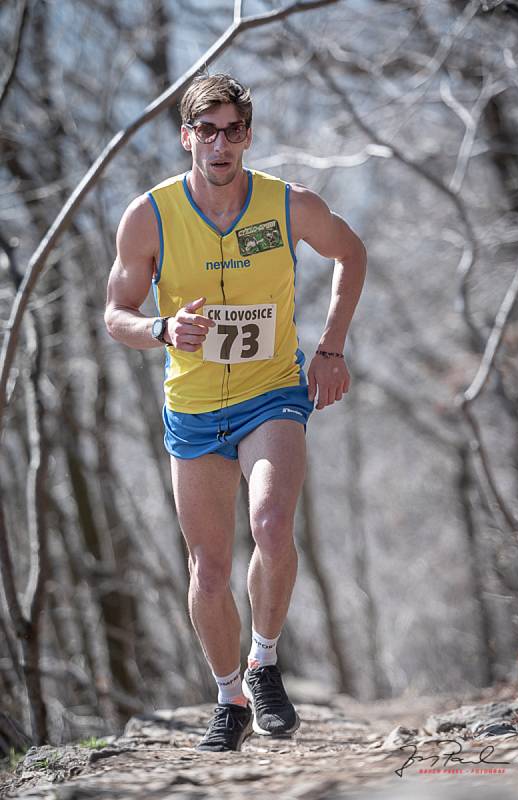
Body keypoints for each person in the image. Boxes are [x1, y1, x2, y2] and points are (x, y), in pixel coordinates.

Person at [104, 73, 367, 753]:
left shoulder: (286, 205)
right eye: (207, 130)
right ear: (187, 135)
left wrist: (331, 348)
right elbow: (114, 315)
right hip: (192, 410)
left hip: (271, 395)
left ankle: (264, 660)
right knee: (210, 570)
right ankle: (228, 698)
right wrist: (161, 329)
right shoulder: (150, 215)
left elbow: (350, 252)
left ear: (248, 136)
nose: (221, 144)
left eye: (234, 130)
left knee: (273, 525)